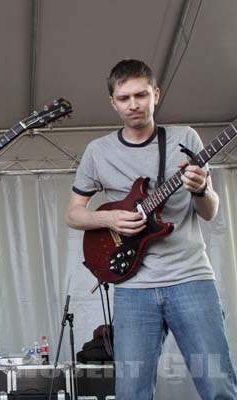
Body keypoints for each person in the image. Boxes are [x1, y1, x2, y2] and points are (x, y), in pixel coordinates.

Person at [65, 59, 237, 399]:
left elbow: (209, 211)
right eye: (124, 98)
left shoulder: (184, 138)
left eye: (141, 95)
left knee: (217, 384)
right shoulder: (98, 152)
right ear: (112, 102)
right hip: (134, 287)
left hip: (190, 277)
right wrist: (109, 219)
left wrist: (201, 188)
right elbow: (74, 214)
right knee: (131, 391)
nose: (134, 105)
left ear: (155, 94)